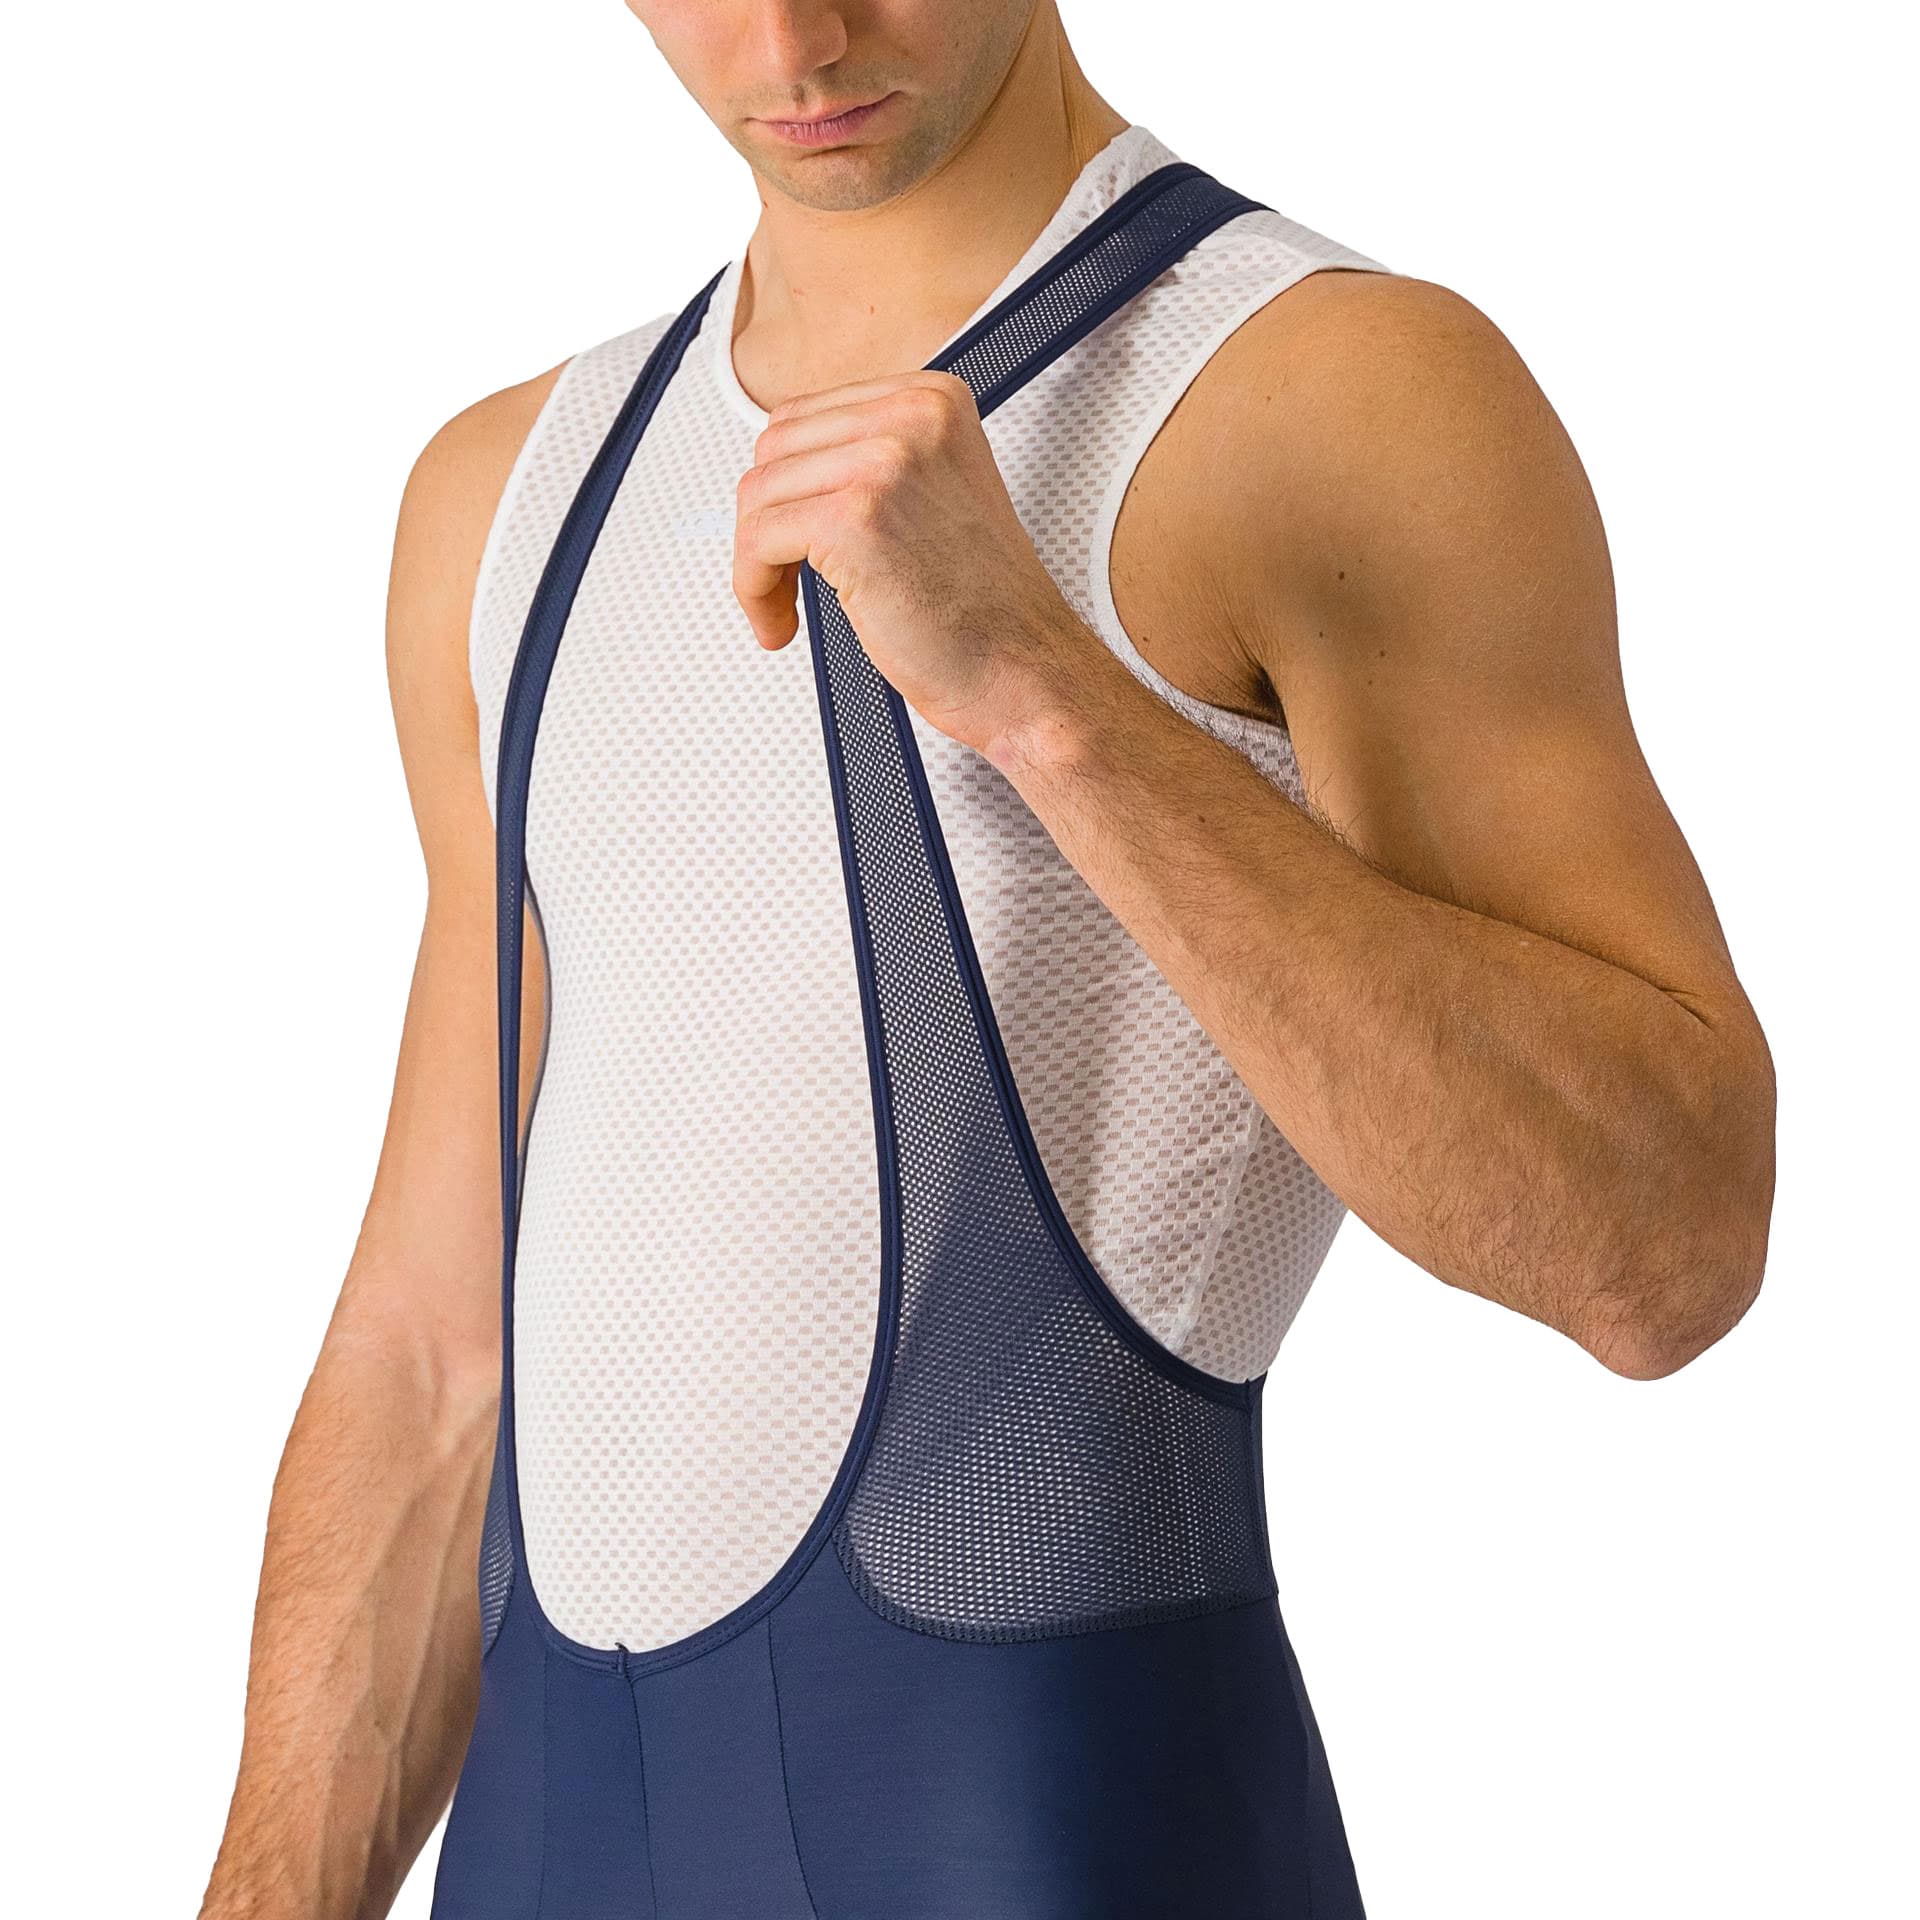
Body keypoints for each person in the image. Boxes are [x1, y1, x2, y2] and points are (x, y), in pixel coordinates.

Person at [199, 3, 1776, 1915]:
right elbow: (437, 1357)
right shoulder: (507, 498)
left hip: (1055, 1842)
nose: (792, 38)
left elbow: (1665, 1246)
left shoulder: (1324, 394)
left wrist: (1042, 696)